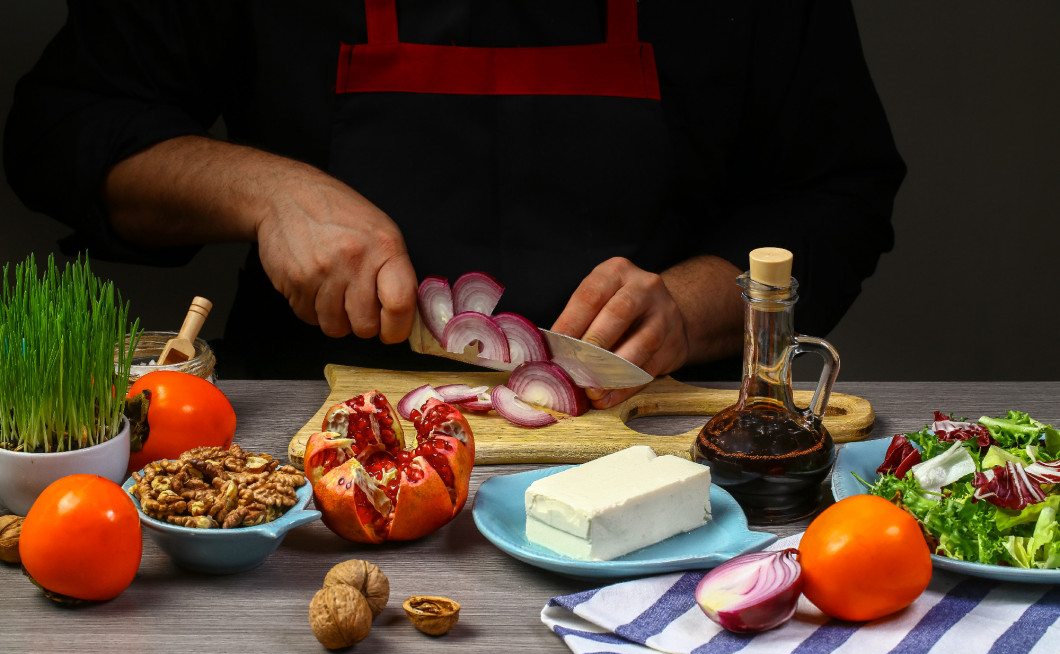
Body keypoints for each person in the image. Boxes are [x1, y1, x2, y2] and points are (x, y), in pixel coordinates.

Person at [4, 0, 904, 408]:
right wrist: (266, 190)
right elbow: (60, 131)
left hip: (652, 441)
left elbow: (839, 187)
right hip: (308, 426)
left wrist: (698, 302)